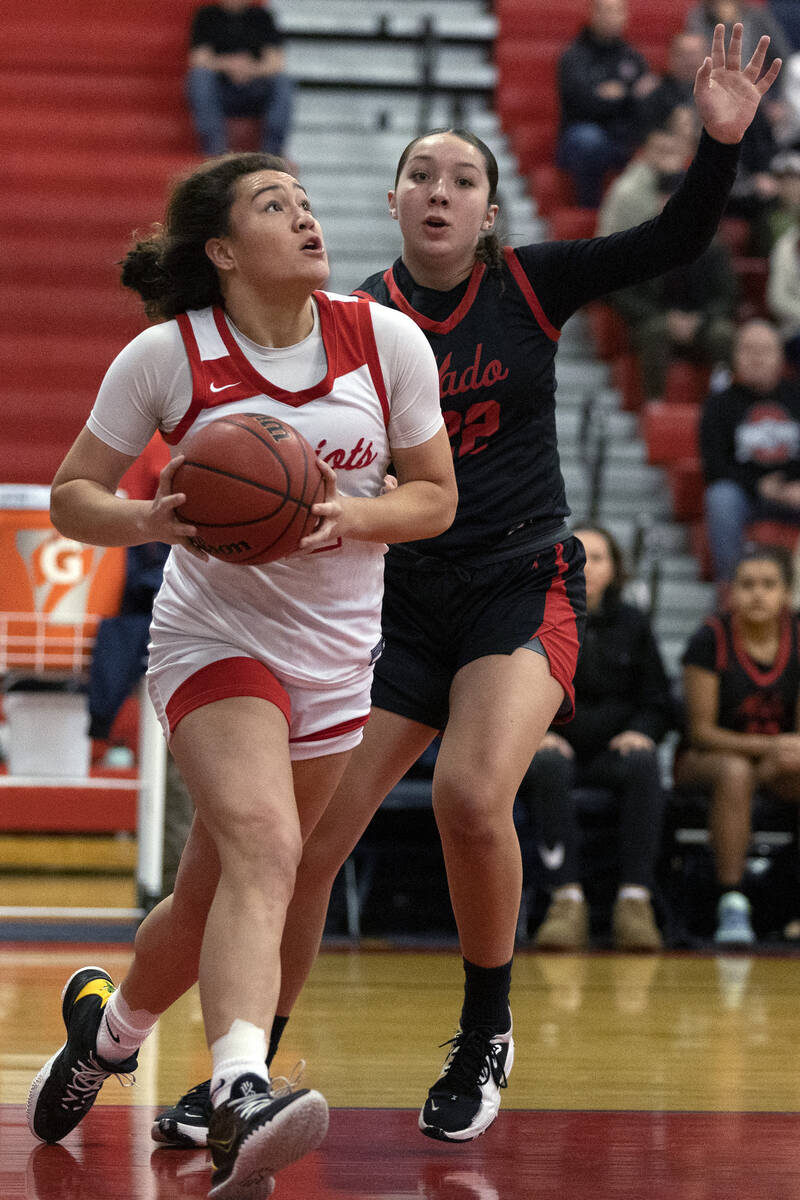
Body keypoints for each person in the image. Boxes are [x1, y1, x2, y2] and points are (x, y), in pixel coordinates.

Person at [154, 23, 781, 1151]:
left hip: (517, 583)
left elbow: (676, 237)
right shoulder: (352, 321)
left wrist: (721, 143)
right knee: (308, 849)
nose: (441, 191)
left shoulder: (531, 285)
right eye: (423, 176)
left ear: (489, 213)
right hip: (394, 606)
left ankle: (484, 1030)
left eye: (463, 180)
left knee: (470, 795)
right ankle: (247, 1077)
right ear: (394, 201)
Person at [26, 150, 457, 1200]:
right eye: (275, 206)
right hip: (213, 642)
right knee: (269, 848)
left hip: (335, 658)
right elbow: (72, 495)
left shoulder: (384, 340)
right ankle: (239, 1092)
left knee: (212, 895)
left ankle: (107, 1034)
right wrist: (146, 517)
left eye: (306, 203)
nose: (307, 219)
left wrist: (350, 516)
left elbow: (436, 497)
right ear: (221, 250)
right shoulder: (168, 355)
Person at [521, 523, 673, 952]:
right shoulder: (535, 616)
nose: (587, 566)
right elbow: (512, 690)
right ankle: (565, 900)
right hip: (554, 746)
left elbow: (658, 700)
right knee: (546, 765)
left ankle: (635, 900)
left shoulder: (634, 624)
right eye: (579, 555)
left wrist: (641, 732)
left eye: (599, 557)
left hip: (613, 750)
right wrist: (537, 732)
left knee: (644, 763)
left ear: (615, 568)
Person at [674, 546, 800, 944]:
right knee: (735, 771)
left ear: (787, 593)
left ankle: (789, 898)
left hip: (775, 763)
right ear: (731, 592)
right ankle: (732, 900)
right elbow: (701, 732)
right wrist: (772, 748)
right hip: (704, 761)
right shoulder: (710, 637)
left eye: (769, 585)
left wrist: (782, 753)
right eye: (747, 585)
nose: (758, 594)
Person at [609, 169, 738, 400]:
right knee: (655, 331)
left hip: (702, 321)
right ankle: (654, 404)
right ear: (659, 200)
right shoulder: (639, 241)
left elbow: (728, 295)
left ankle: (723, 400)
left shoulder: (714, 247)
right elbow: (624, 294)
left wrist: (699, 319)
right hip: (656, 318)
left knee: (723, 333)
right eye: (671, 197)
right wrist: (666, 319)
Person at [700, 318, 800, 586]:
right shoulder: (718, 404)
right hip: (745, 495)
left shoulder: (797, 397)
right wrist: (759, 485)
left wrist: (793, 487)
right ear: (735, 356)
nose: (757, 358)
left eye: (765, 350)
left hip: (794, 491)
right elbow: (714, 466)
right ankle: (732, 589)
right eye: (749, 349)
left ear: (780, 357)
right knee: (720, 497)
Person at [556, 0, 660, 208]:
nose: (611, 17)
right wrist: (629, 94)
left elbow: (645, 100)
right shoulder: (573, 57)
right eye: (605, 11)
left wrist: (618, 94)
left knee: (660, 142)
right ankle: (589, 209)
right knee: (588, 140)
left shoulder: (633, 57)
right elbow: (583, 104)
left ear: (626, 17)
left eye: (617, 11)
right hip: (580, 136)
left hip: (623, 135)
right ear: (591, 15)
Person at [186, 0, 294, 158]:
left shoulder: (262, 17)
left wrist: (249, 69)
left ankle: (272, 153)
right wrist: (230, 65)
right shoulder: (207, 16)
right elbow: (198, 60)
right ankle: (216, 153)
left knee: (283, 81)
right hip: (221, 91)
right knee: (200, 77)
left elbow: (276, 63)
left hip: (255, 90)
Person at [596, 125, 691, 236]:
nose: (669, 160)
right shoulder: (629, 190)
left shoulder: (683, 179)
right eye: (662, 151)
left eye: (674, 152)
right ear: (644, 152)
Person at [637, 31, 708, 141]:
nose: (690, 61)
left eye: (694, 54)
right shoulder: (654, 92)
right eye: (683, 55)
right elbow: (643, 133)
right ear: (671, 57)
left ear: (707, 57)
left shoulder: (719, 92)